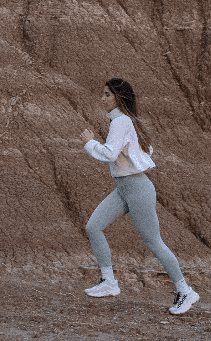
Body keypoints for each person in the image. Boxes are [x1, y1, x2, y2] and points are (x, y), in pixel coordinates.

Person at [79, 78, 199, 315]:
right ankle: (109, 282)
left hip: (138, 189)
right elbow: (143, 150)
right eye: (102, 94)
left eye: (106, 95)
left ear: (118, 98)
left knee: (153, 241)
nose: (102, 98)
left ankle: (185, 291)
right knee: (93, 227)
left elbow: (110, 154)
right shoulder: (125, 121)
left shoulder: (121, 122)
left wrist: (89, 142)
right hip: (124, 188)